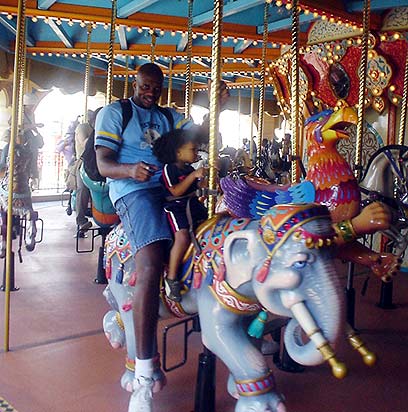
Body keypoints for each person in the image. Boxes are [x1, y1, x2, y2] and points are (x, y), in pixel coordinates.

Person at [94, 63, 228, 412]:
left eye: (155, 87)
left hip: (171, 190)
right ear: (135, 83)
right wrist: (130, 170)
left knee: (216, 239)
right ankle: (143, 374)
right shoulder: (116, 113)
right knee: (151, 259)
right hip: (132, 191)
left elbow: (199, 135)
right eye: (145, 86)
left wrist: (215, 109)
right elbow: (104, 164)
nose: (150, 92)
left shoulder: (169, 117)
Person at [152, 129, 208, 302]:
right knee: (182, 237)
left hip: (192, 206)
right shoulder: (169, 169)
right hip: (176, 208)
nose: (196, 153)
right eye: (192, 150)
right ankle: (172, 277)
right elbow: (176, 191)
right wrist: (194, 175)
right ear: (178, 152)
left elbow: (196, 189)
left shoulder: (189, 168)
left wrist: (205, 180)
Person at [74, 109, 99, 236]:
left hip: (99, 163)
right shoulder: (83, 128)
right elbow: (85, 143)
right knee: (83, 189)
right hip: (84, 163)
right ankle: (81, 220)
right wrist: (98, 131)